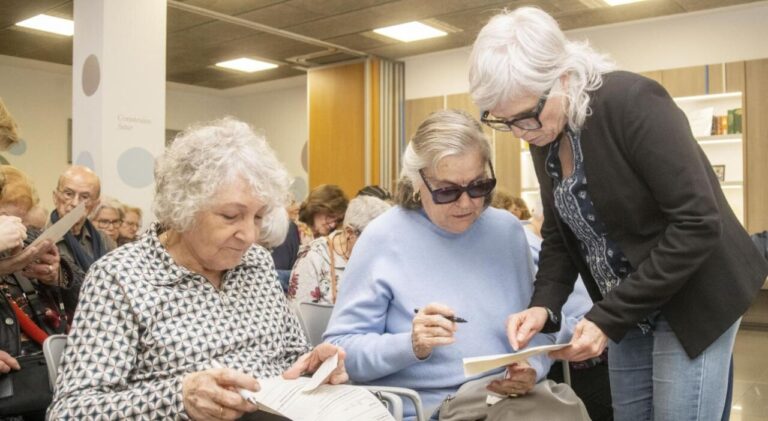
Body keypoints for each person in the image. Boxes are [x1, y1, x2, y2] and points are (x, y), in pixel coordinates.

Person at [469, 7, 768, 421]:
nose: (521, 133)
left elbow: (697, 223)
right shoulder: (545, 135)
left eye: (525, 117)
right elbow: (559, 233)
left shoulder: (632, 102)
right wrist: (544, 307)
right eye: (505, 122)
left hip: (694, 293)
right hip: (628, 304)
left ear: (562, 77)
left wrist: (606, 318)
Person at [48, 118, 347, 420]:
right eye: (231, 216)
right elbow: (70, 411)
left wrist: (314, 366)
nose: (250, 235)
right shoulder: (120, 277)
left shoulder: (255, 263)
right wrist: (180, 398)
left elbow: (291, 357)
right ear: (182, 210)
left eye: (258, 217)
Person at [324, 110, 592, 420]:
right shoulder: (383, 238)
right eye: (447, 191)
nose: (466, 204)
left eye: (479, 186)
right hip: (432, 407)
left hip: (514, 401)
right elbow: (340, 352)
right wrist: (410, 345)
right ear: (416, 182)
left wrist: (530, 367)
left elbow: (538, 329)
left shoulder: (507, 232)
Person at [0, 166, 81, 420]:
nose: (17, 228)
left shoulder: (31, 237)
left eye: (21, 220)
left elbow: (89, 294)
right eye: (5, 217)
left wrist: (58, 275)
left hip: (48, 381)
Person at [287, 195, 391, 304]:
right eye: (374, 240)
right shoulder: (313, 258)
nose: (381, 247)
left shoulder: (383, 257)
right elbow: (299, 315)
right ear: (350, 233)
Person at [50, 166, 115, 273]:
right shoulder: (41, 238)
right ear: (55, 197)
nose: (75, 203)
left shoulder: (104, 241)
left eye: (84, 197)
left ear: (95, 205)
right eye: (68, 194)